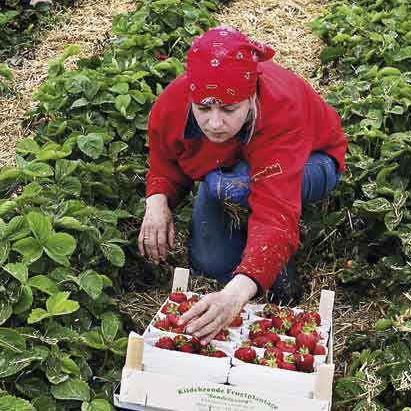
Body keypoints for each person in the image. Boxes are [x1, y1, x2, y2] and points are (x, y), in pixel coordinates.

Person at [139, 26, 348, 344]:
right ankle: (247, 236)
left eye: (229, 109)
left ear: (251, 98)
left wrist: (238, 293)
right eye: (204, 109)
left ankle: (273, 259)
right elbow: (164, 160)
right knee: (209, 263)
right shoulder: (172, 104)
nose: (215, 123)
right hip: (228, 171)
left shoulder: (282, 109)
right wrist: (157, 202)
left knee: (235, 186)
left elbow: (275, 209)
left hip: (312, 163)